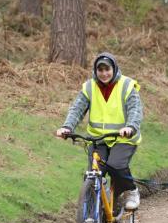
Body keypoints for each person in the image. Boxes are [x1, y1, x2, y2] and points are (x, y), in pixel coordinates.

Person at [56, 52, 143, 210]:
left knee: (115, 165)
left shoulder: (126, 85)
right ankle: (90, 216)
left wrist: (130, 127)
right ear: (95, 71)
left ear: (114, 68)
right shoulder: (89, 87)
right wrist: (67, 127)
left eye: (107, 69)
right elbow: (77, 109)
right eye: (100, 70)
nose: (104, 74)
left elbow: (135, 110)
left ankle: (131, 191)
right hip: (97, 139)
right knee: (93, 175)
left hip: (123, 138)